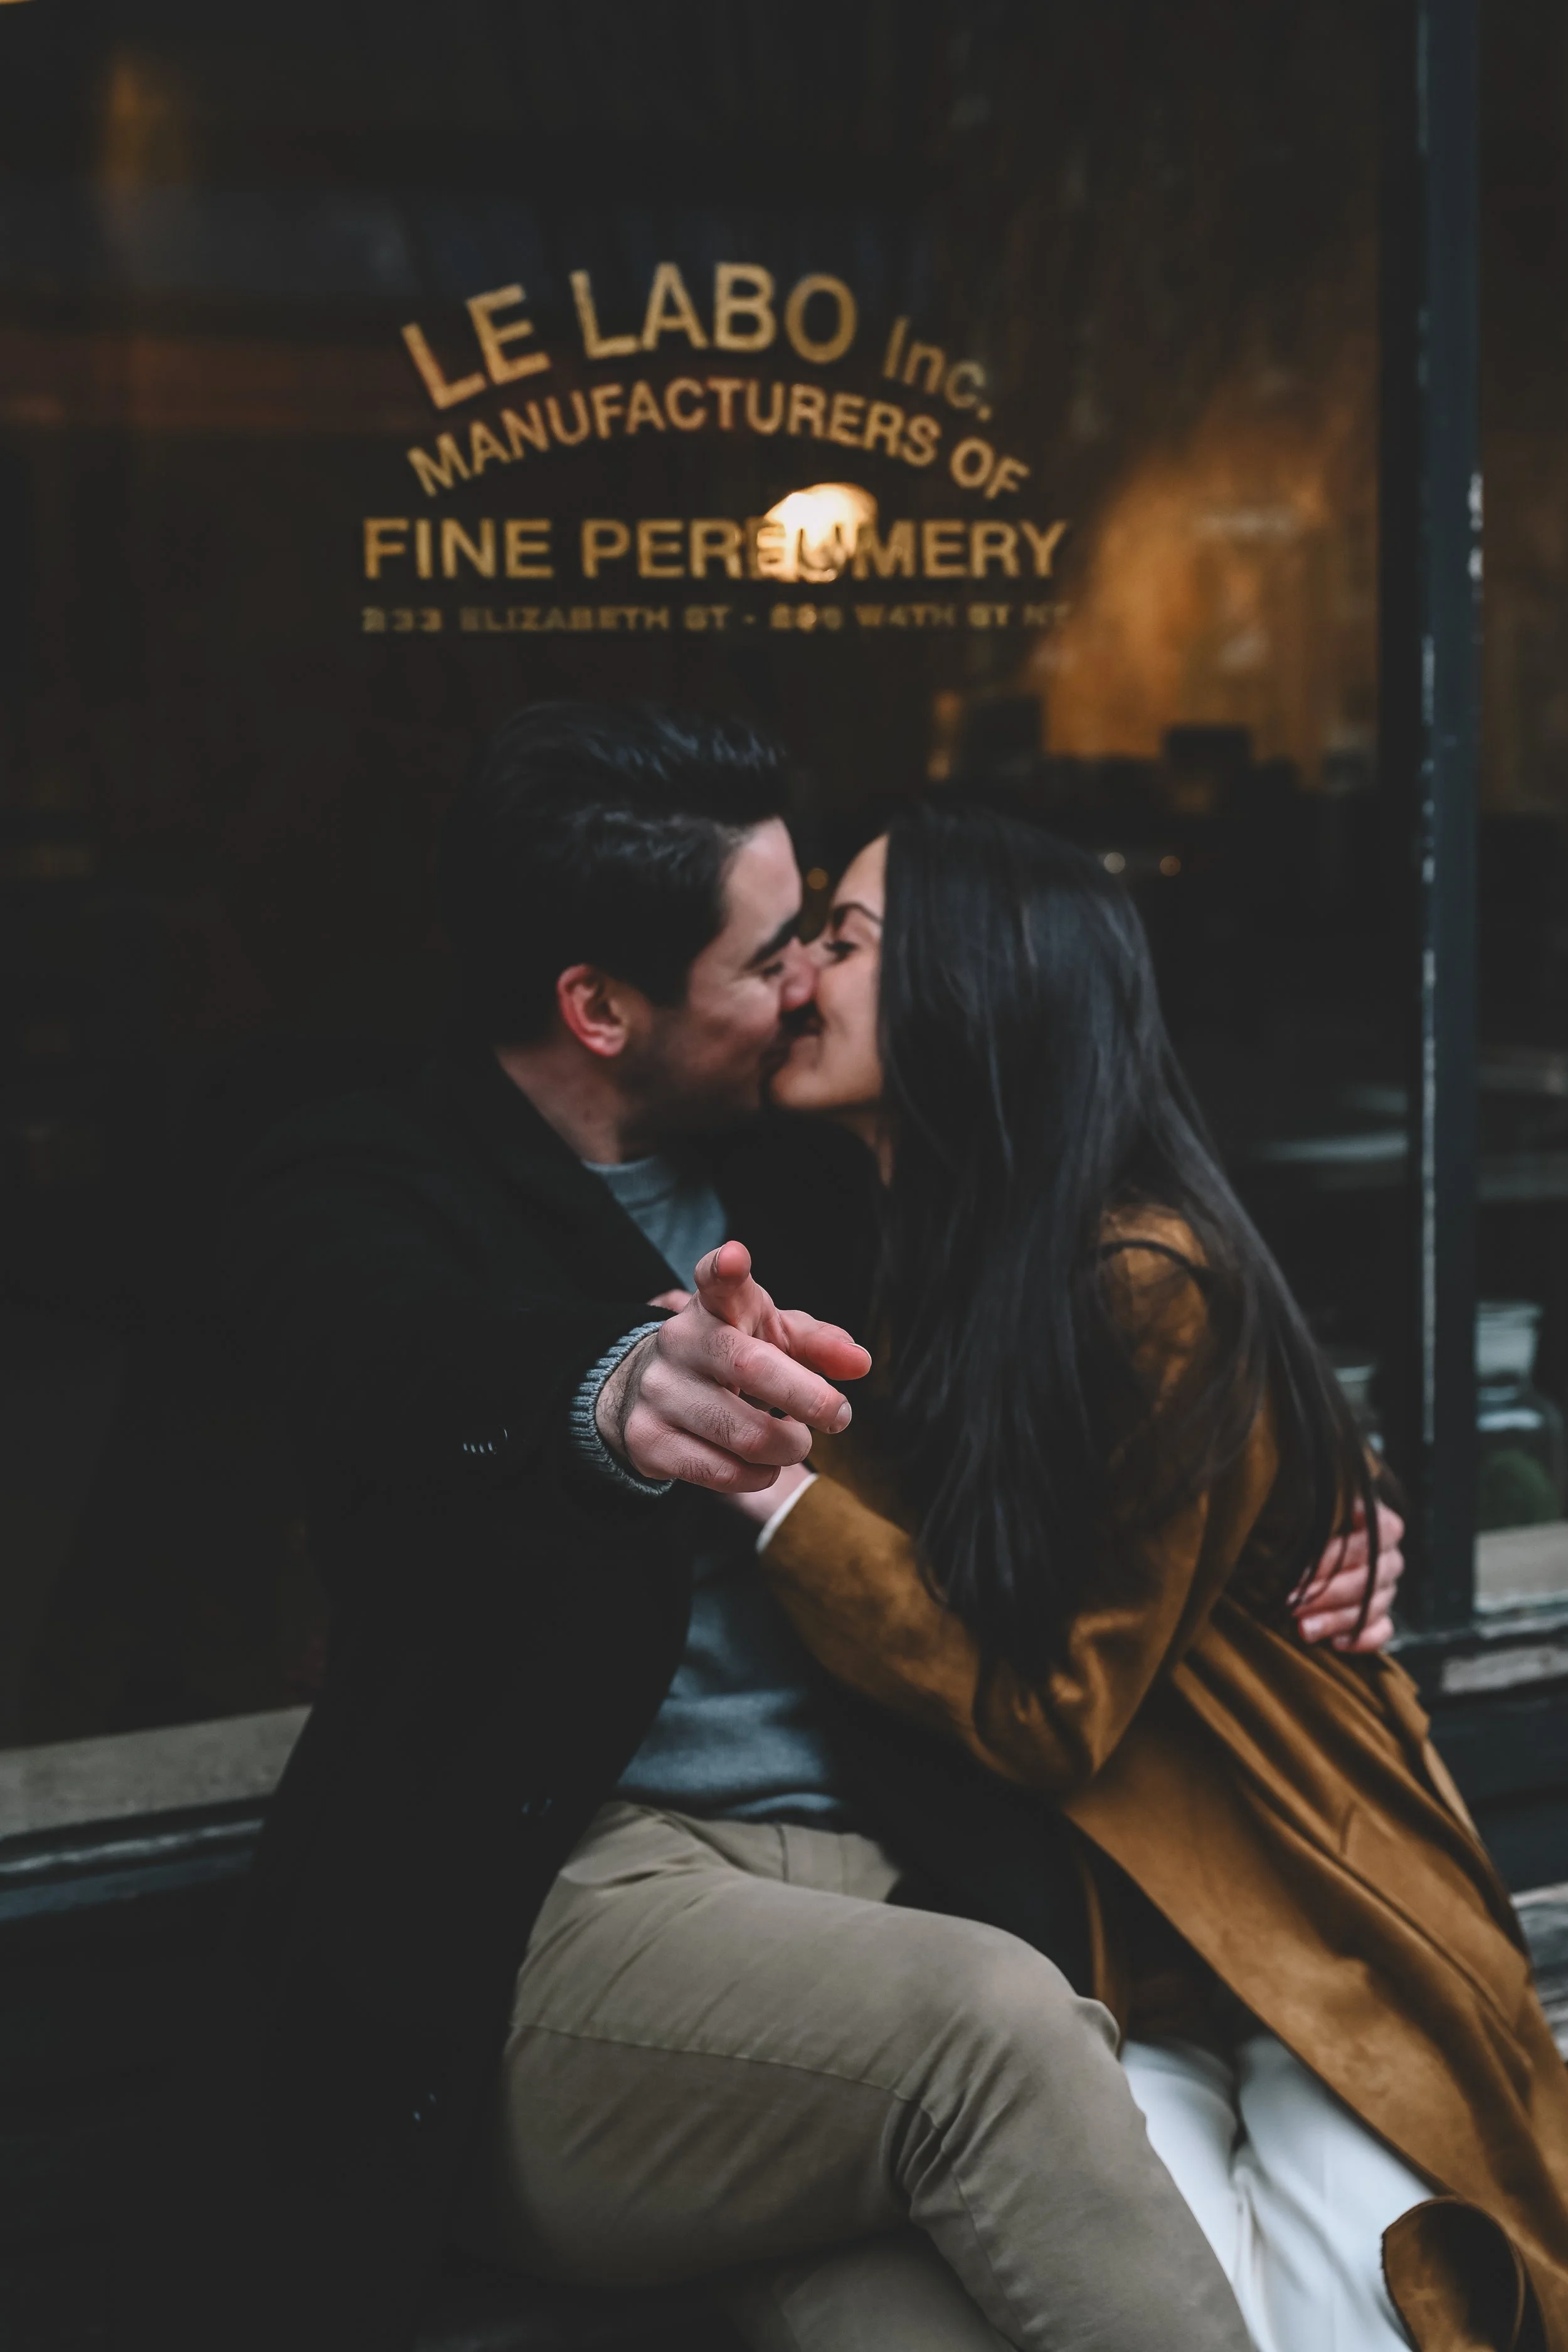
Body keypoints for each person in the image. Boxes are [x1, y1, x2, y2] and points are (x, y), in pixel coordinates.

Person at [187, 706, 1395, 2352]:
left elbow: (1080, 1304)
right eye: (777, 954)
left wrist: (1298, 1501)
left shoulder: (816, 1160)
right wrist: (606, 1386)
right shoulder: (367, 1177)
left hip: (859, 1904)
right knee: (996, 2029)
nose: (814, 981)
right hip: (557, 1921)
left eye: (828, 928)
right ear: (598, 1007)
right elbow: (377, 1347)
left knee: (916, 2312)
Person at [689, 800, 1568, 2352]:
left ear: (980, 982)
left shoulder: (1138, 1276)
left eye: (845, 936)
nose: (802, 973)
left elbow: (1052, 1711)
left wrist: (772, 1494)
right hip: (1105, 1955)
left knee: (1358, 2315)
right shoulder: (871, 1226)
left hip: (1299, 1921)